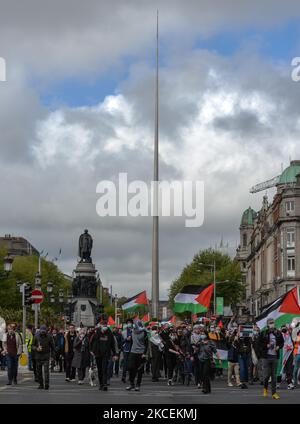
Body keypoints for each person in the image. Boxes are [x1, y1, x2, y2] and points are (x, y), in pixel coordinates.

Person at [257, 318, 284, 399]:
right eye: (270, 323)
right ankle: (265, 389)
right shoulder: (263, 333)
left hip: (275, 356)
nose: (272, 324)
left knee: (274, 376)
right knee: (266, 375)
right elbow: (258, 344)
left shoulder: (278, 333)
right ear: (267, 324)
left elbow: (282, 342)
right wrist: (266, 346)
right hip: (266, 357)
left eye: (273, 323)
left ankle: (274, 393)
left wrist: (279, 346)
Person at [90, 319, 117, 391]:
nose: (104, 326)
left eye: (105, 325)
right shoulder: (97, 332)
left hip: (106, 354)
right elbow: (92, 341)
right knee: (100, 370)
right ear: (101, 325)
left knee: (104, 369)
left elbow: (112, 344)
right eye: (103, 325)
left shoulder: (109, 333)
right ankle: (101, 384)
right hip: (98, 354)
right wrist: (91, 350)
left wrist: (114, 354)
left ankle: (105, 384)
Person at [126, 320, 148, 391]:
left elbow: (146, 344)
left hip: (141, 353)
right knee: (130, 368)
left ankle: (138, 385)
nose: (134, 325)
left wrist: (144, 353)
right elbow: (131, 341)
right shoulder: (132, 331)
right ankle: (131, 384)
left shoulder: (144, 333)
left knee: (140, 370)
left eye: (136, 324)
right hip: (133, 352)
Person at [32, 325, 55, 390]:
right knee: (39, 371)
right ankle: (41, 384)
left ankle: (46, 384)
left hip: (46, 356)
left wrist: (53, 356)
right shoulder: (36, 336)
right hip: (38, 356)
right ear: (40, 330)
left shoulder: (49, 337)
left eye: (44, 330)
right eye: (42, 330)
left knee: (46, 371)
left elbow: (53, 347)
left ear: (46, 331)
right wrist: (36, 348)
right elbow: (32, 346)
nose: (43, 331)